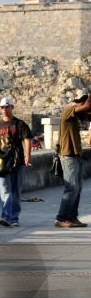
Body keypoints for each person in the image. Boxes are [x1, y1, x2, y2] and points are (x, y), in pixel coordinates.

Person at [0, 98, 33, 227]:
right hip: (2, 162)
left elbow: (27, 139)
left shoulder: (19, 124)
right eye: (2, 107)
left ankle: (14, 218)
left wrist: (28, 155)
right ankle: (6, 217)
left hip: (18, 162)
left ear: (12, 107)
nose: (4, 110)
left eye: (6, 107)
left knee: (16, 190)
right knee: (5, 189)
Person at [55, 94, 91, 228]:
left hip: (75, 155)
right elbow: (87, 106)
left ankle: (72, 216)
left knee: (78, 188)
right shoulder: (68, 110)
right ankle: (61, 218)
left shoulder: (75, 119)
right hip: (68, 155)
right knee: (71, 188)